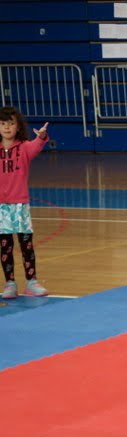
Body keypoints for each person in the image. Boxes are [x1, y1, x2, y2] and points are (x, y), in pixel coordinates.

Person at [0, 108, 50, 298]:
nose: (7, 127)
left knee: (26, 244)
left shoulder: (24, 148)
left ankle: (31, 282)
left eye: (11, 123)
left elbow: (37, 144)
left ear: (18, 126)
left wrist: (42, 136)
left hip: (20, 204)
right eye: (3, 124)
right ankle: (10, 284)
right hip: (1, 207)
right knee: (5, 246)